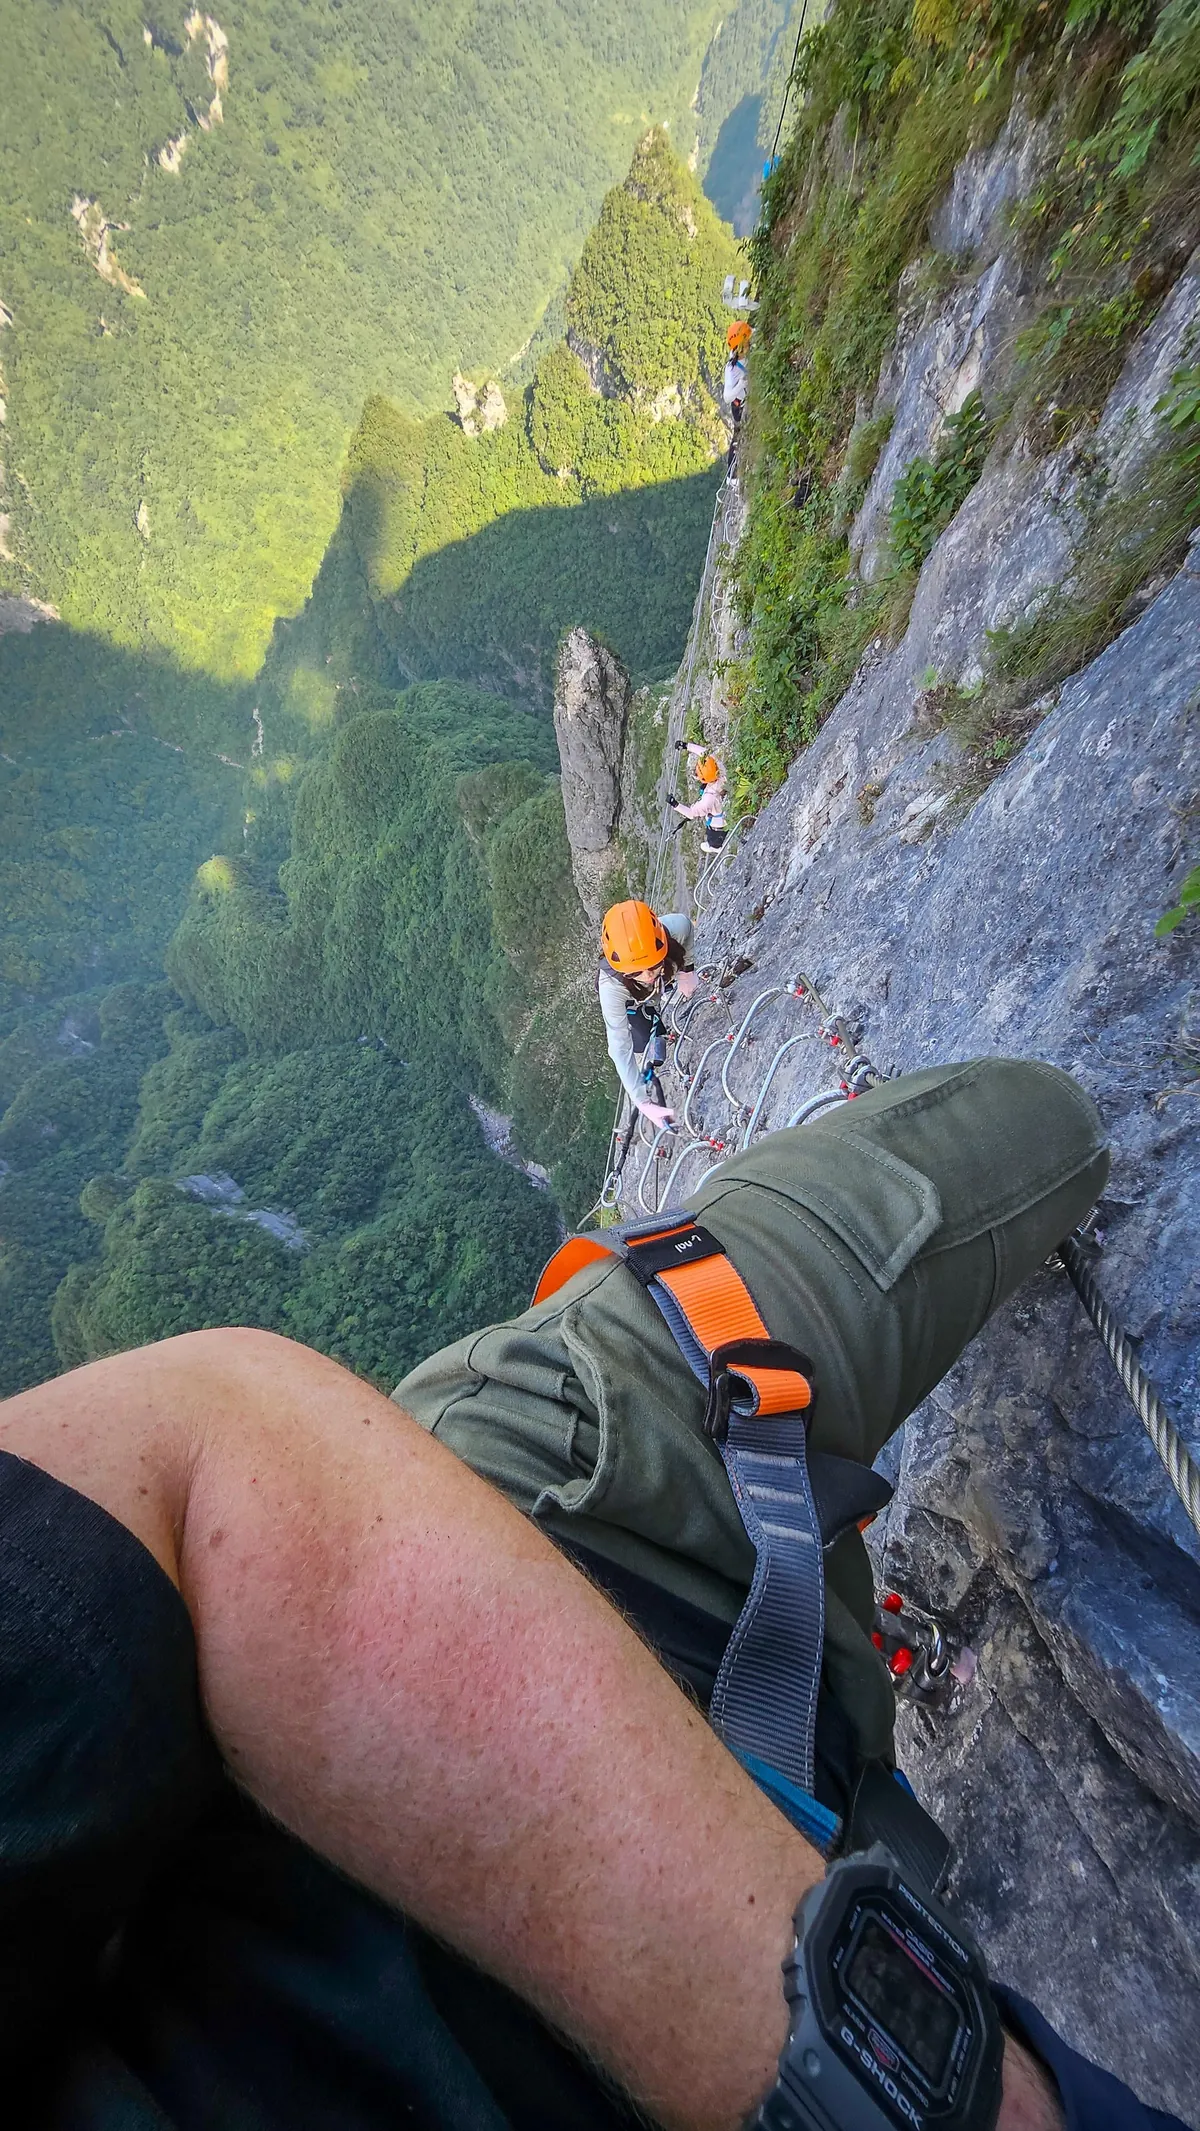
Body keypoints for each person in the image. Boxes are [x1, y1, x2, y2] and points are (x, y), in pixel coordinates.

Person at [1, 1057, 1189, 2130]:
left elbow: (209, 1445)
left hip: (585, 1494)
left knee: (1038, 1128)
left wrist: (882, 2084)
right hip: (606, 1532)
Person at [597, 898, 699, 1131]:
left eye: (652, 965)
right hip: (633, 1000)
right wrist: (641, 1100)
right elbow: (619, 1047)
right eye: (636, 972)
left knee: (662, 983)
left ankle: (663, 990)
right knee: (642, 1042)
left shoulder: (673, 929)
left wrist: (687, 970)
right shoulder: (611, 988)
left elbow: (688, 930)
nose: (647, 976)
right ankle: (657, 1021)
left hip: (667, 976)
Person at [669, 742, 728, 853]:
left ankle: (715, 846)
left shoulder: (708, 800)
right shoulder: (719, 768)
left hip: (719, 824)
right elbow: (704, 753)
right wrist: (686, 746)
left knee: (712, 839)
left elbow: (691, 813)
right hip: (724, 805)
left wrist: (675, 804)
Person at [723, 321, 751, 477]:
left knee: (739, 434)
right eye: (746, 343)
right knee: (738, 435)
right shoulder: (731, 369)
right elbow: (727, 396)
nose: (749, 344)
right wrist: (741, 385)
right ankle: (731, 476)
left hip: (744, 399)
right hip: (738, 405)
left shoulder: (740, 355)